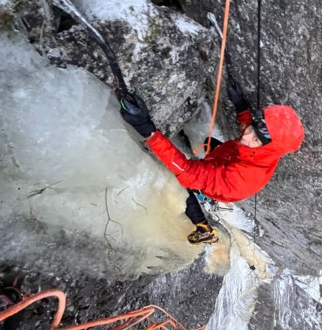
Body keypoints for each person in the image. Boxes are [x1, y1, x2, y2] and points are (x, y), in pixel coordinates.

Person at [118, 76, 304, 244]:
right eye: (252, 129)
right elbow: (252, 131)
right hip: (227, 158)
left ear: (265, 147)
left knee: (183, 186)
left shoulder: (239, 180)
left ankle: (203, 227)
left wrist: (149, 131)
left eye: (255, 139)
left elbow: (187, 172)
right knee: (209, 143)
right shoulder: (263, 148)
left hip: (225, 181)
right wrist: (241, 107)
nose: (246, 136)